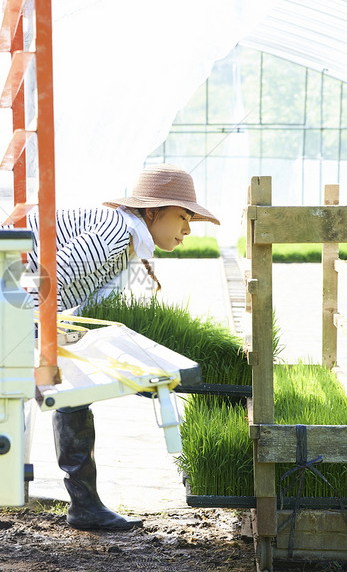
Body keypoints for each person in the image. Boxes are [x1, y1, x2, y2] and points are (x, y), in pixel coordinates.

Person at [18, 163, 220, 531]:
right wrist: (33, 334)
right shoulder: (114, 234)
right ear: (152, 211)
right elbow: (45, 280)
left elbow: (99, 310)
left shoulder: (128, 244)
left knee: (74, 390)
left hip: (25, 307)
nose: (188, 229)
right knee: (69, 388)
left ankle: (85, 506)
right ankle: (85, 506)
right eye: (183, 216)